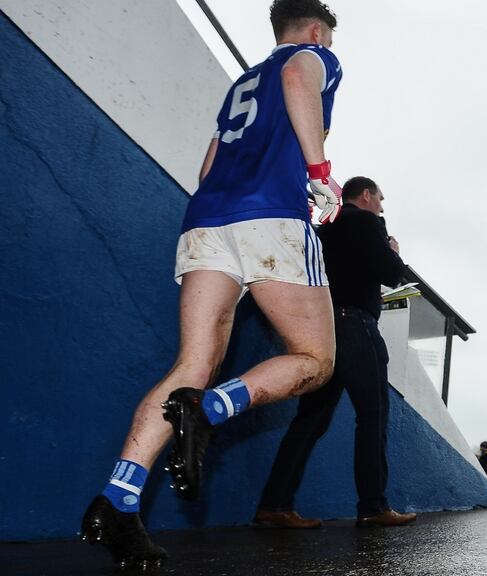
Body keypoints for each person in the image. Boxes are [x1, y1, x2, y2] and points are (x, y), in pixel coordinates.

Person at [80, 1, 343, 566]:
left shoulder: (243, 84)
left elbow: (206, 167)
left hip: (207, 220)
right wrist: (320, 174)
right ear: (318, 31)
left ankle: (117, 501)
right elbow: (300, 77)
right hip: (270, 218)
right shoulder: (312, 56)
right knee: (316, 360)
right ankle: (211, 410)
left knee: (189, 367)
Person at [257, 177, 417, 528]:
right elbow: (391, 274)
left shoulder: (326, 228)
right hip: (355, 324)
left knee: (310, 419)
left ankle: (274, 504)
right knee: (372, 414)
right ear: (365, 195)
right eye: (380, 199)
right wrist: (392, 250)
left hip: (321, 327)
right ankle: (373, 506)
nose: (382, 206)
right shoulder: (365, 221)